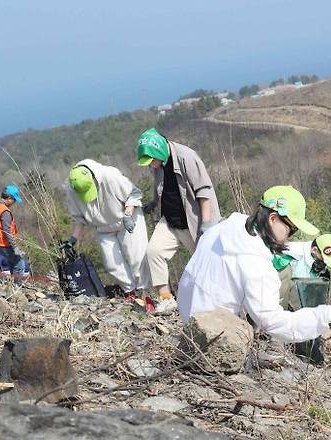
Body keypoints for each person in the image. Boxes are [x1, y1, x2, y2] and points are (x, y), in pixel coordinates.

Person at [177, 185, 331, 341]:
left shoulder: (221, 229)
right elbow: (272, 321)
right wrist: (325, 315)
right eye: (291, 229)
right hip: (213, 337)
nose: (290, 236)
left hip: (188, 322)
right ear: (273, 218)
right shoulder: (254, 260)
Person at [137, 128, 220, 313]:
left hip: (194, 221)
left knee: (208, 264)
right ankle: (166, 299)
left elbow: (204, 190)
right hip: (170, 220)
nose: (151, 165)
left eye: (151, 161)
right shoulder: (159, 164)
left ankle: (218, 303)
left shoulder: (186, 157)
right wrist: (153, 203)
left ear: (158, 151)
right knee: (153, 251)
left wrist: (206, 224)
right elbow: (161, 187)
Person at [64, 161, 152, 309]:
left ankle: (146, 295)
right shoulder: (71, 189)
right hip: (103, 227)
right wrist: (73, 239)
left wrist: (128, 214)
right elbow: (80, 218)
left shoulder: (110, 176)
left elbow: (133, 193)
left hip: (126, 218)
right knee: (111, 263)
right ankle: (129, 292)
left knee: (137, 257)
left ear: (94, 178)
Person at [0, 184, 29, 277]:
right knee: (20, 265)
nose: (14, 202)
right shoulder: (5, 211)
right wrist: (15, 248)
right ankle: (17, 286)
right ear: (9, 198)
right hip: (4, 245)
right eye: (14, 200)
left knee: (4, 267)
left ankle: (5, 285)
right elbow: (7, 231)